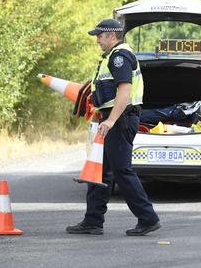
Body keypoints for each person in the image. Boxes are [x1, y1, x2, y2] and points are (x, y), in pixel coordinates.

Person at [66, 18, 161, 236]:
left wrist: (110, 121)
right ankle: (92, 221)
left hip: (120, 120)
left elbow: (124, 93)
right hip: (112, 118)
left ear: (112, 35)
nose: (97, 40)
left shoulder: (120, 57)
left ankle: (148, 218)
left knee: (122, 171)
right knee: (101, 172)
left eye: (100, 35)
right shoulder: (111, 57)